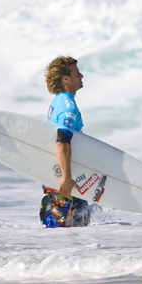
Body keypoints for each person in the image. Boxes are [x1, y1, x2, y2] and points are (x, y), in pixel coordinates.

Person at [39, 56, 91, 228]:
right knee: (61, 235)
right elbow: (62, 142)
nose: (81, 75)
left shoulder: (61, 100)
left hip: (66, 178)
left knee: (76, 234)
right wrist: (67, 178)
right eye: (77, 73)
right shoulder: (67, 106)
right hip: (64, 182)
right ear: (65, 78)